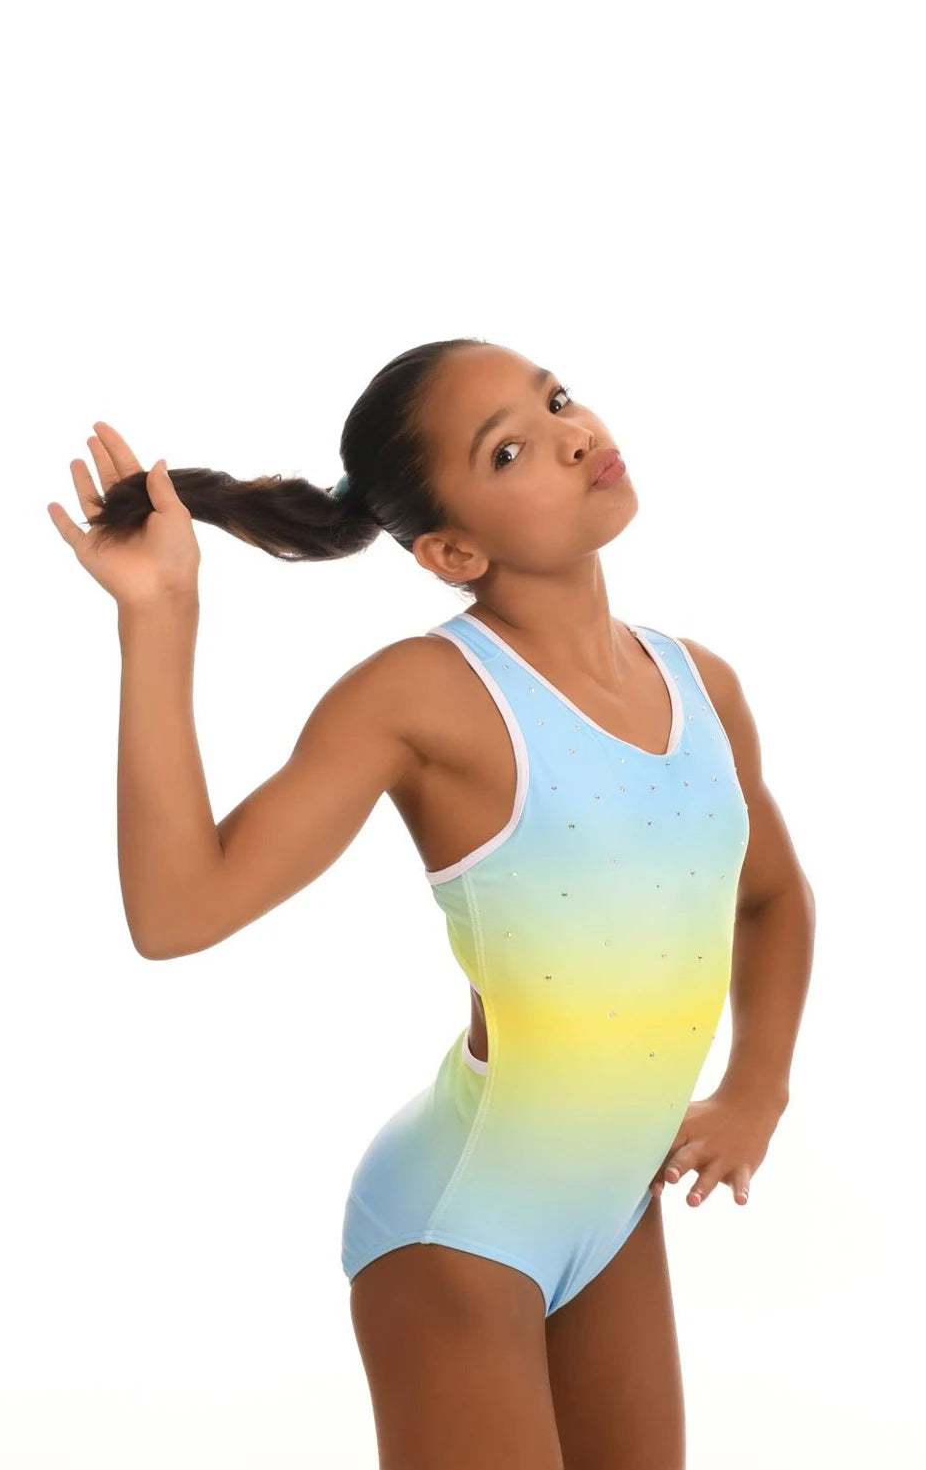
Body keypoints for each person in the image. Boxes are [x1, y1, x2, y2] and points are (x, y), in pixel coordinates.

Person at [47, 337, 814, 1470]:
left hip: (613, 1209)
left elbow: (772, 897)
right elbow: (176, 911)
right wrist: (159, 614)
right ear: (452, 550)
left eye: (556, 398)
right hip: (459, 1227)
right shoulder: (424, 696)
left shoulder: (704, 685)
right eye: (508, 449)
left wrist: (757, 1086)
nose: (569, 434)